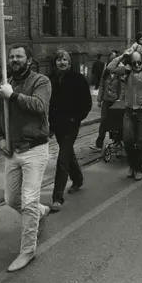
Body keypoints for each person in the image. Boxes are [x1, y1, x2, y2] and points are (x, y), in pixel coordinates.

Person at [0, 44, 52, 273]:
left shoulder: (41, 81)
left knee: (29, 201)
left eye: (19, 57)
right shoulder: (3, 86)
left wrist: (12, 96)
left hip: (35, 149)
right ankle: (40, 212)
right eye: (11, 57)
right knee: (12, 200)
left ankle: (27, 250)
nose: (14, 60)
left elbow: (39, 106)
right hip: (12, 150)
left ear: (29, 60)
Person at [106, 49, 142, 180]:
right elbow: (110, 67)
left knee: (140, 142)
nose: (137, 65)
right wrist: (122, 56)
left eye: (139, 62)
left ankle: (139, 168)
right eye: (134, 63)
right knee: (127, 140)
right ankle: (132, 166)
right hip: (129, 111)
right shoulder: (126, 71)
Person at [49, 50, 92, 212]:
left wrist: (76, 118)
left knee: (62, 158)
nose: (62, 62)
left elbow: (86, 102)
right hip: (57, 125)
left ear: (70, 62)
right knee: (67, 153)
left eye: (65, 60)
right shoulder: (51, 79)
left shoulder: (78, 79)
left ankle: (57, 197)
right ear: (55, 62)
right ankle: (78, 179)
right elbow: (49, 104)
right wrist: (50, 125)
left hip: (71, 125)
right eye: (59, 60)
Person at [93, 50, 123, 152]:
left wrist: (120, 99)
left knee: (117, 122)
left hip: (116, 101)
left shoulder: (120, 72)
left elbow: (123, 87)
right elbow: (101, 85)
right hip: (106, 100)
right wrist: (99, 99)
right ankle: (99, 145)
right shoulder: (105, 72)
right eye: (110, 60)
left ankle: (117, 141)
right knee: (103, 121)